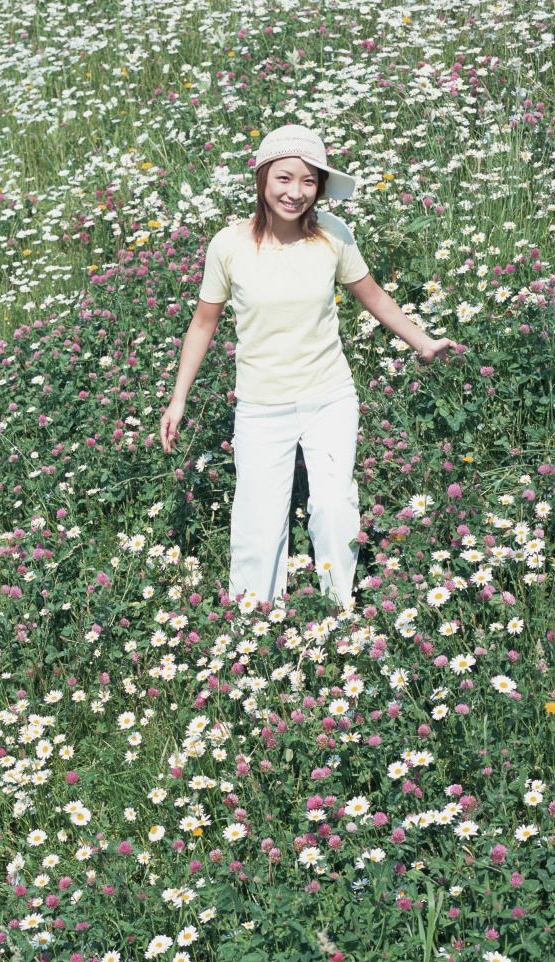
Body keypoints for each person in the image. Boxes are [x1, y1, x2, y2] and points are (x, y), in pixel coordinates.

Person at [159, 123, 455, 612]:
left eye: (308, 182)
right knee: (258, 519)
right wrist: (178, 399)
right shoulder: (228, 246)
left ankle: (338, 612)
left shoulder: (333, 236)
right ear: (261, 179)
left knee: (335, 506)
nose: (295, 193)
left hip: (330, 397)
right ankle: (254, 625)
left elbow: (374, 296)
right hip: (260, 404)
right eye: (284, 178)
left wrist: (421, 343)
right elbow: (202, 324)